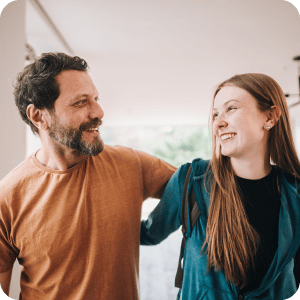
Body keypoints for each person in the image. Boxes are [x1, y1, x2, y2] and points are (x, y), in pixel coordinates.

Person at [0, 52, 176, 300]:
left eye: (96, 99)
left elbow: (198, 188)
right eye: (81, 102)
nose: (99, 112)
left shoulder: (131, 164)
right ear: (39, 116)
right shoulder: (7, 198)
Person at [141, 73, 300, 300]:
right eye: (215, 114)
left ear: (270, 117)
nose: (218, 122)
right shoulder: (191, 180)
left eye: (231, 108)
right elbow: (147, 234)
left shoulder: (295, 194)